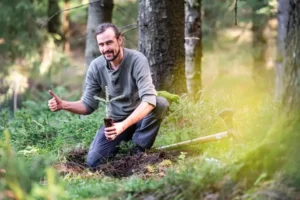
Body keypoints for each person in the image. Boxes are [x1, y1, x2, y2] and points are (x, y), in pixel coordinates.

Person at [48, 23, 169, 168]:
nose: (105, 49)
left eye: (109, 42)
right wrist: (64, 105)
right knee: (93, 162)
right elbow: (88, 104)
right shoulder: (96, 67)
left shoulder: (137, 60)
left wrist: (123, 126)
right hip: (115, 121)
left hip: (139, 118)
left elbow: (149, 100)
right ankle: (121, 146)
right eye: (101, 44)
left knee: (160, 103)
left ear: (120, 40)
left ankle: (138, 152)